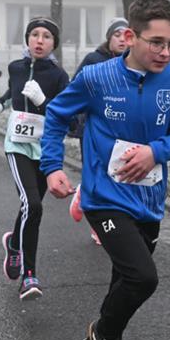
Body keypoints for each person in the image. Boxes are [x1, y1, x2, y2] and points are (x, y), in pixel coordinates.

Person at [40, 0, 170, 340]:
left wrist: (155, 152)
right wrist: (52, 167)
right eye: (156, 42)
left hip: (149, 199)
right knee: (143, 277)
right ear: (131, 37)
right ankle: (104, 339)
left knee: (122, 283)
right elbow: (57, 115)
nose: (165, 52)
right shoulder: (97, 78)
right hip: (104, 197)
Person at [0, 17, 69, 301]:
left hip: (44, 149)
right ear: (27, 39)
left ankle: (14, 246)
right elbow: (12, 90)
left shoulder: (58, 76)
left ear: (54, 43)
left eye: (46, 36)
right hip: (18, 145)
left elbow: (65, 118)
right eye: (34, 34)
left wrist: (43, 102)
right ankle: (29, 275)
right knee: (32, 204)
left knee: (30, 207)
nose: (40, 40)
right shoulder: (16, 67)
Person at [67, 17, 129, 245]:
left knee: (113, 178)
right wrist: (72, 120)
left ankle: (83, 193)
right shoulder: (94, 60)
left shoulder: (132, 64)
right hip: (92, 129)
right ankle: (97, 228)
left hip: (119, 131)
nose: (122, 39)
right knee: (96, 176)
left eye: (126, 35)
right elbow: (74, 90)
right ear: (109, 38)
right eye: (117, 35)